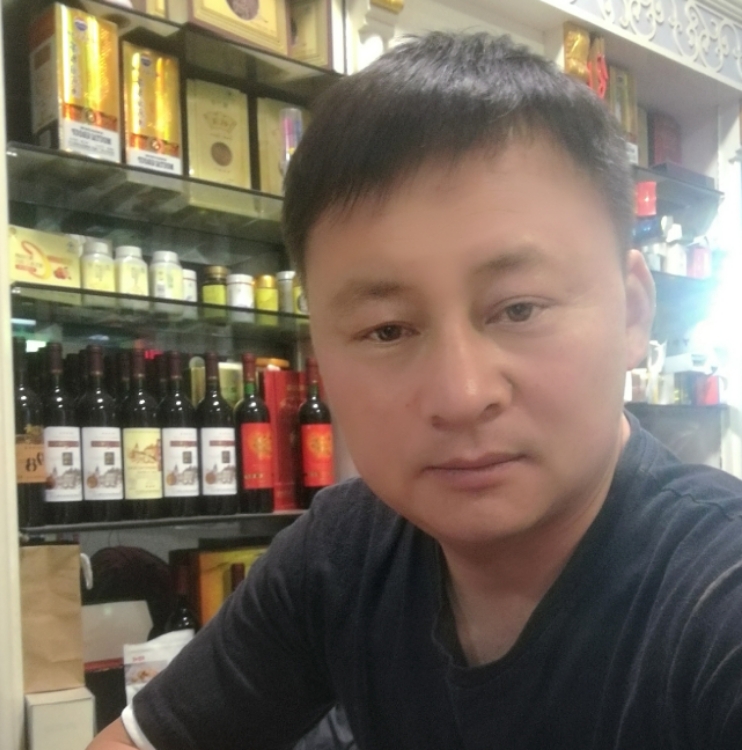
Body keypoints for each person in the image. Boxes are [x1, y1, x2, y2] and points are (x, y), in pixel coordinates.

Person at [89, 32, 742, 750]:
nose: (461, 395)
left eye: (519, 309)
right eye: (388, 330)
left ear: (634, 313)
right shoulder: (345, 554)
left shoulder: (717, 595)